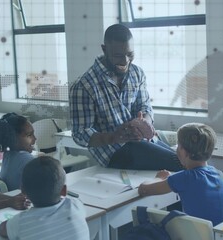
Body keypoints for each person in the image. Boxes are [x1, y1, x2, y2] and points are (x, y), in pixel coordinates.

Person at [69, 23, 182, 171]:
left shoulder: (137, 73)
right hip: (113, 151)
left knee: (184, 160)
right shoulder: (83, 86)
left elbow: (145, 106)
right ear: (104, 49)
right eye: (118, 56)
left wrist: (145, 123)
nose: (125, 61)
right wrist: (114, 137)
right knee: (180, 164)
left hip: (141, 141)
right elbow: (80, 134)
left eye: (130, 54)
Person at [138, 123, 223, 226]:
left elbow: (143, 189)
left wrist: (158, 178)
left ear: (184, 152)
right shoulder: (219, 173)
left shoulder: (185, 178)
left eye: (178, 146)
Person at [0, 156, 89, 240]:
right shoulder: (75, 205)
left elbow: (2, 229)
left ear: (23, 191)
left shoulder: (21, 222)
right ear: (64, 191)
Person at [0, 113, 36, 191]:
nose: (35, 139)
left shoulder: (7, 155)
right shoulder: (27, 160)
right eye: (29, 135)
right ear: (14, 137)